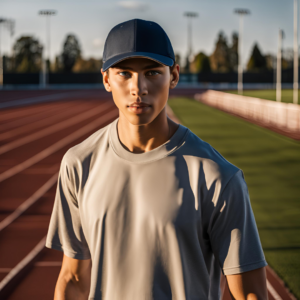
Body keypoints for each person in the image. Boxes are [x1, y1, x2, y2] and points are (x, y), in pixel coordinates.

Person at [45, 18, 268, 300]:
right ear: (106, 79)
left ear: (173, 75)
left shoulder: (217, 177)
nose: (138, 87)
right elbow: (74, 279)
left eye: (152, 72)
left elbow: (250, 294)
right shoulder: (78, 164)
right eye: (124, 74)